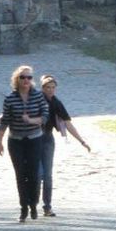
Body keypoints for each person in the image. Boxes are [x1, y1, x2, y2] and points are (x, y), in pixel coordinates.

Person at [0, 65, 48, 222]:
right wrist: (0, 141)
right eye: (23, 77)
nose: (26, 80)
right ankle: (23, 208)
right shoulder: (10, 98)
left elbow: (45, 116)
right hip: (16, 140)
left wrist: (31, 120)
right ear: (17, 79)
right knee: (20, 175)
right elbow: (5, 120)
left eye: (29, 77)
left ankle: (33, 204)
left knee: (34, 174)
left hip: (34, 139)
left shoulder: (38, 96)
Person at [33, 74, 90, 217]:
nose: (51, 90)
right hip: (33, 140)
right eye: (48, 87)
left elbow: (68, 123)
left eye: (53, 88)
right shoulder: (35, 99)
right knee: (37, 174)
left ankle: (47, 207)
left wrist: (82, 141)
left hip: (47, 140)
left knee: (47, 175)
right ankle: (32, 204)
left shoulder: (56, 103)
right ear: (42, 88)